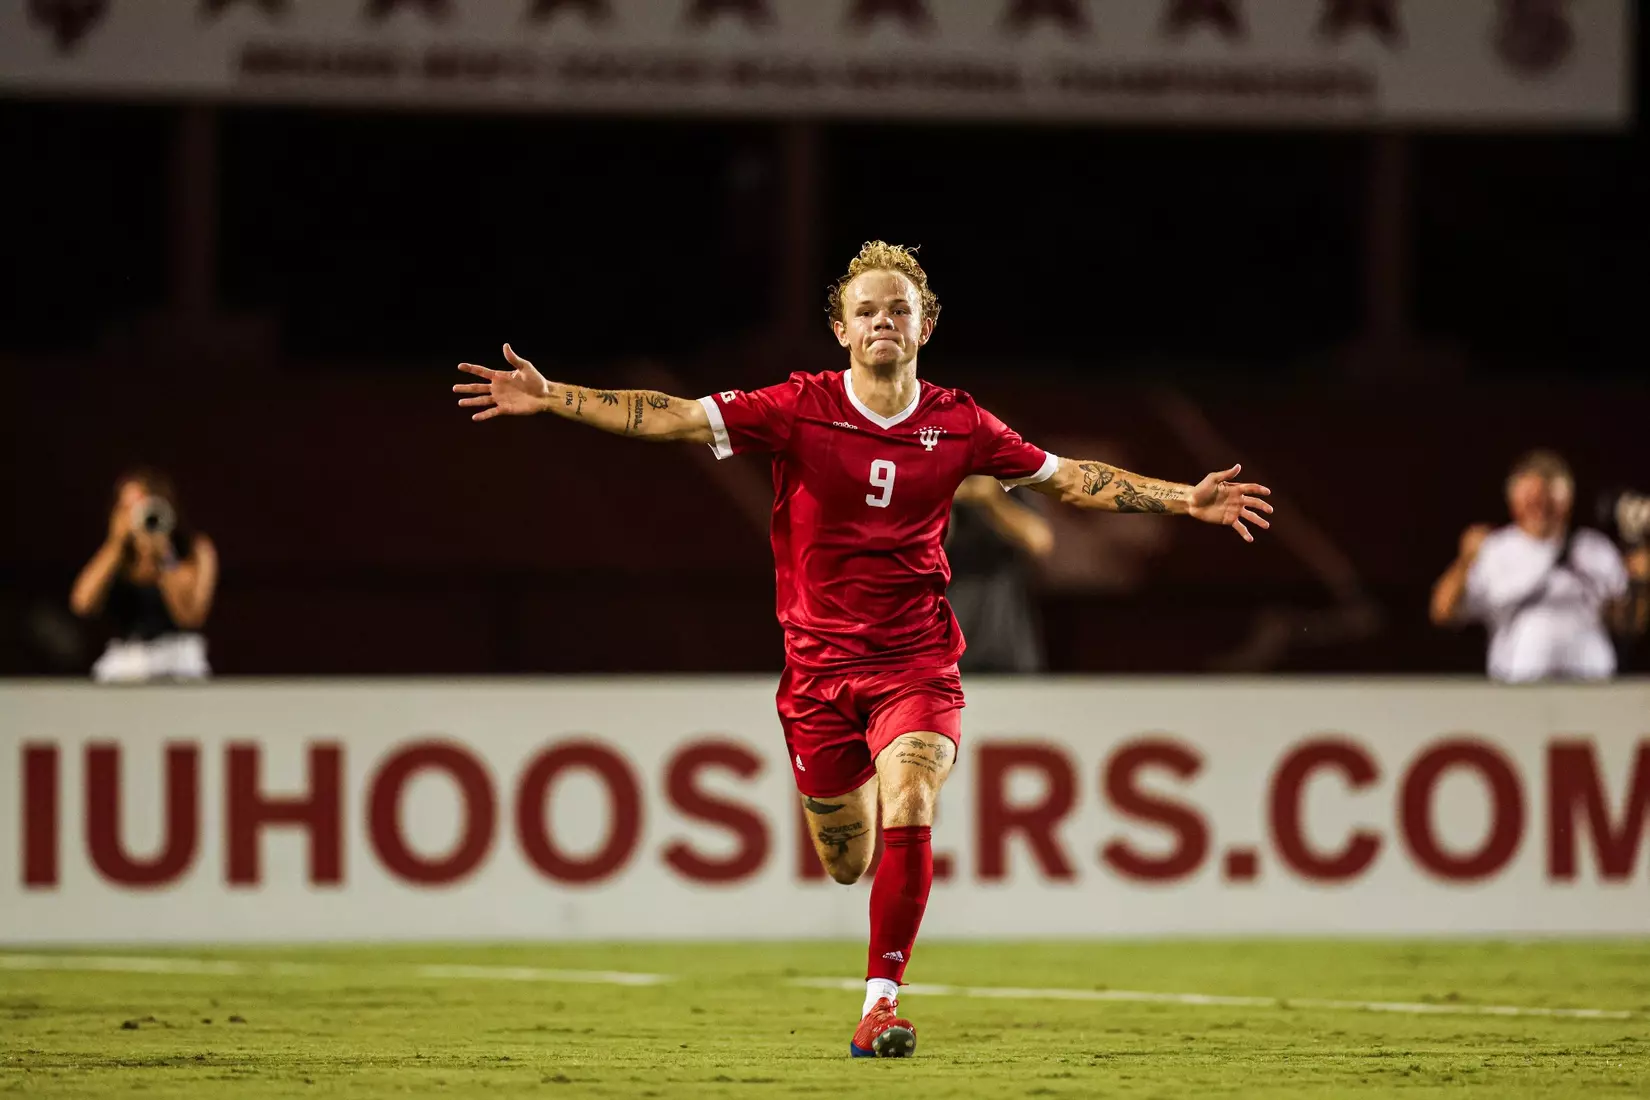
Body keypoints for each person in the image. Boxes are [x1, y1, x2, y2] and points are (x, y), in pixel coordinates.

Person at [453, 241, 1273, 1058]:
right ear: (843, 330)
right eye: (868, 310)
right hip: (817, 676)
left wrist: (1182, 499)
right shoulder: (797, 406)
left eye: (900, 308)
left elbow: (1067, 479)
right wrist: (554, 396)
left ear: (925, 327)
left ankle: (880, 1004)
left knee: (912, 795)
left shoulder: (960, 421)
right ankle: (859, 840)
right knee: (846, 859)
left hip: (916, 660)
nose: (885, 320)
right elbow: (670, 414)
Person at [1429, 449, 1649, 682]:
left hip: (1592, 685)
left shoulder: (1594, 548)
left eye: (1549, 497)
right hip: (1520, 687)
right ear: (1513, 500)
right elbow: (1442, 612)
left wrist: (1641, 583)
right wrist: (1464, 562)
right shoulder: (1496, 550)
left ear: (1567, 500)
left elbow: (1627, 625)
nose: (1540, 506)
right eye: (1531, 498)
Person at [69, 469, 219, 683]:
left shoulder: (192, 550)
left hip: (177, 660)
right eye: (126, 507)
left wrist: (163, 555)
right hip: (126, 661)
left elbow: (189, 617)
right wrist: (115, 544)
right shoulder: (117, 556)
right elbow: (82, 604)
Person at [947, 475, 1054, 673]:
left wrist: (992, 501)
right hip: (947, 642)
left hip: (1006, 640)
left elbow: (1040, 541)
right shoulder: (928, 479)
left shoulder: (1009, 479)